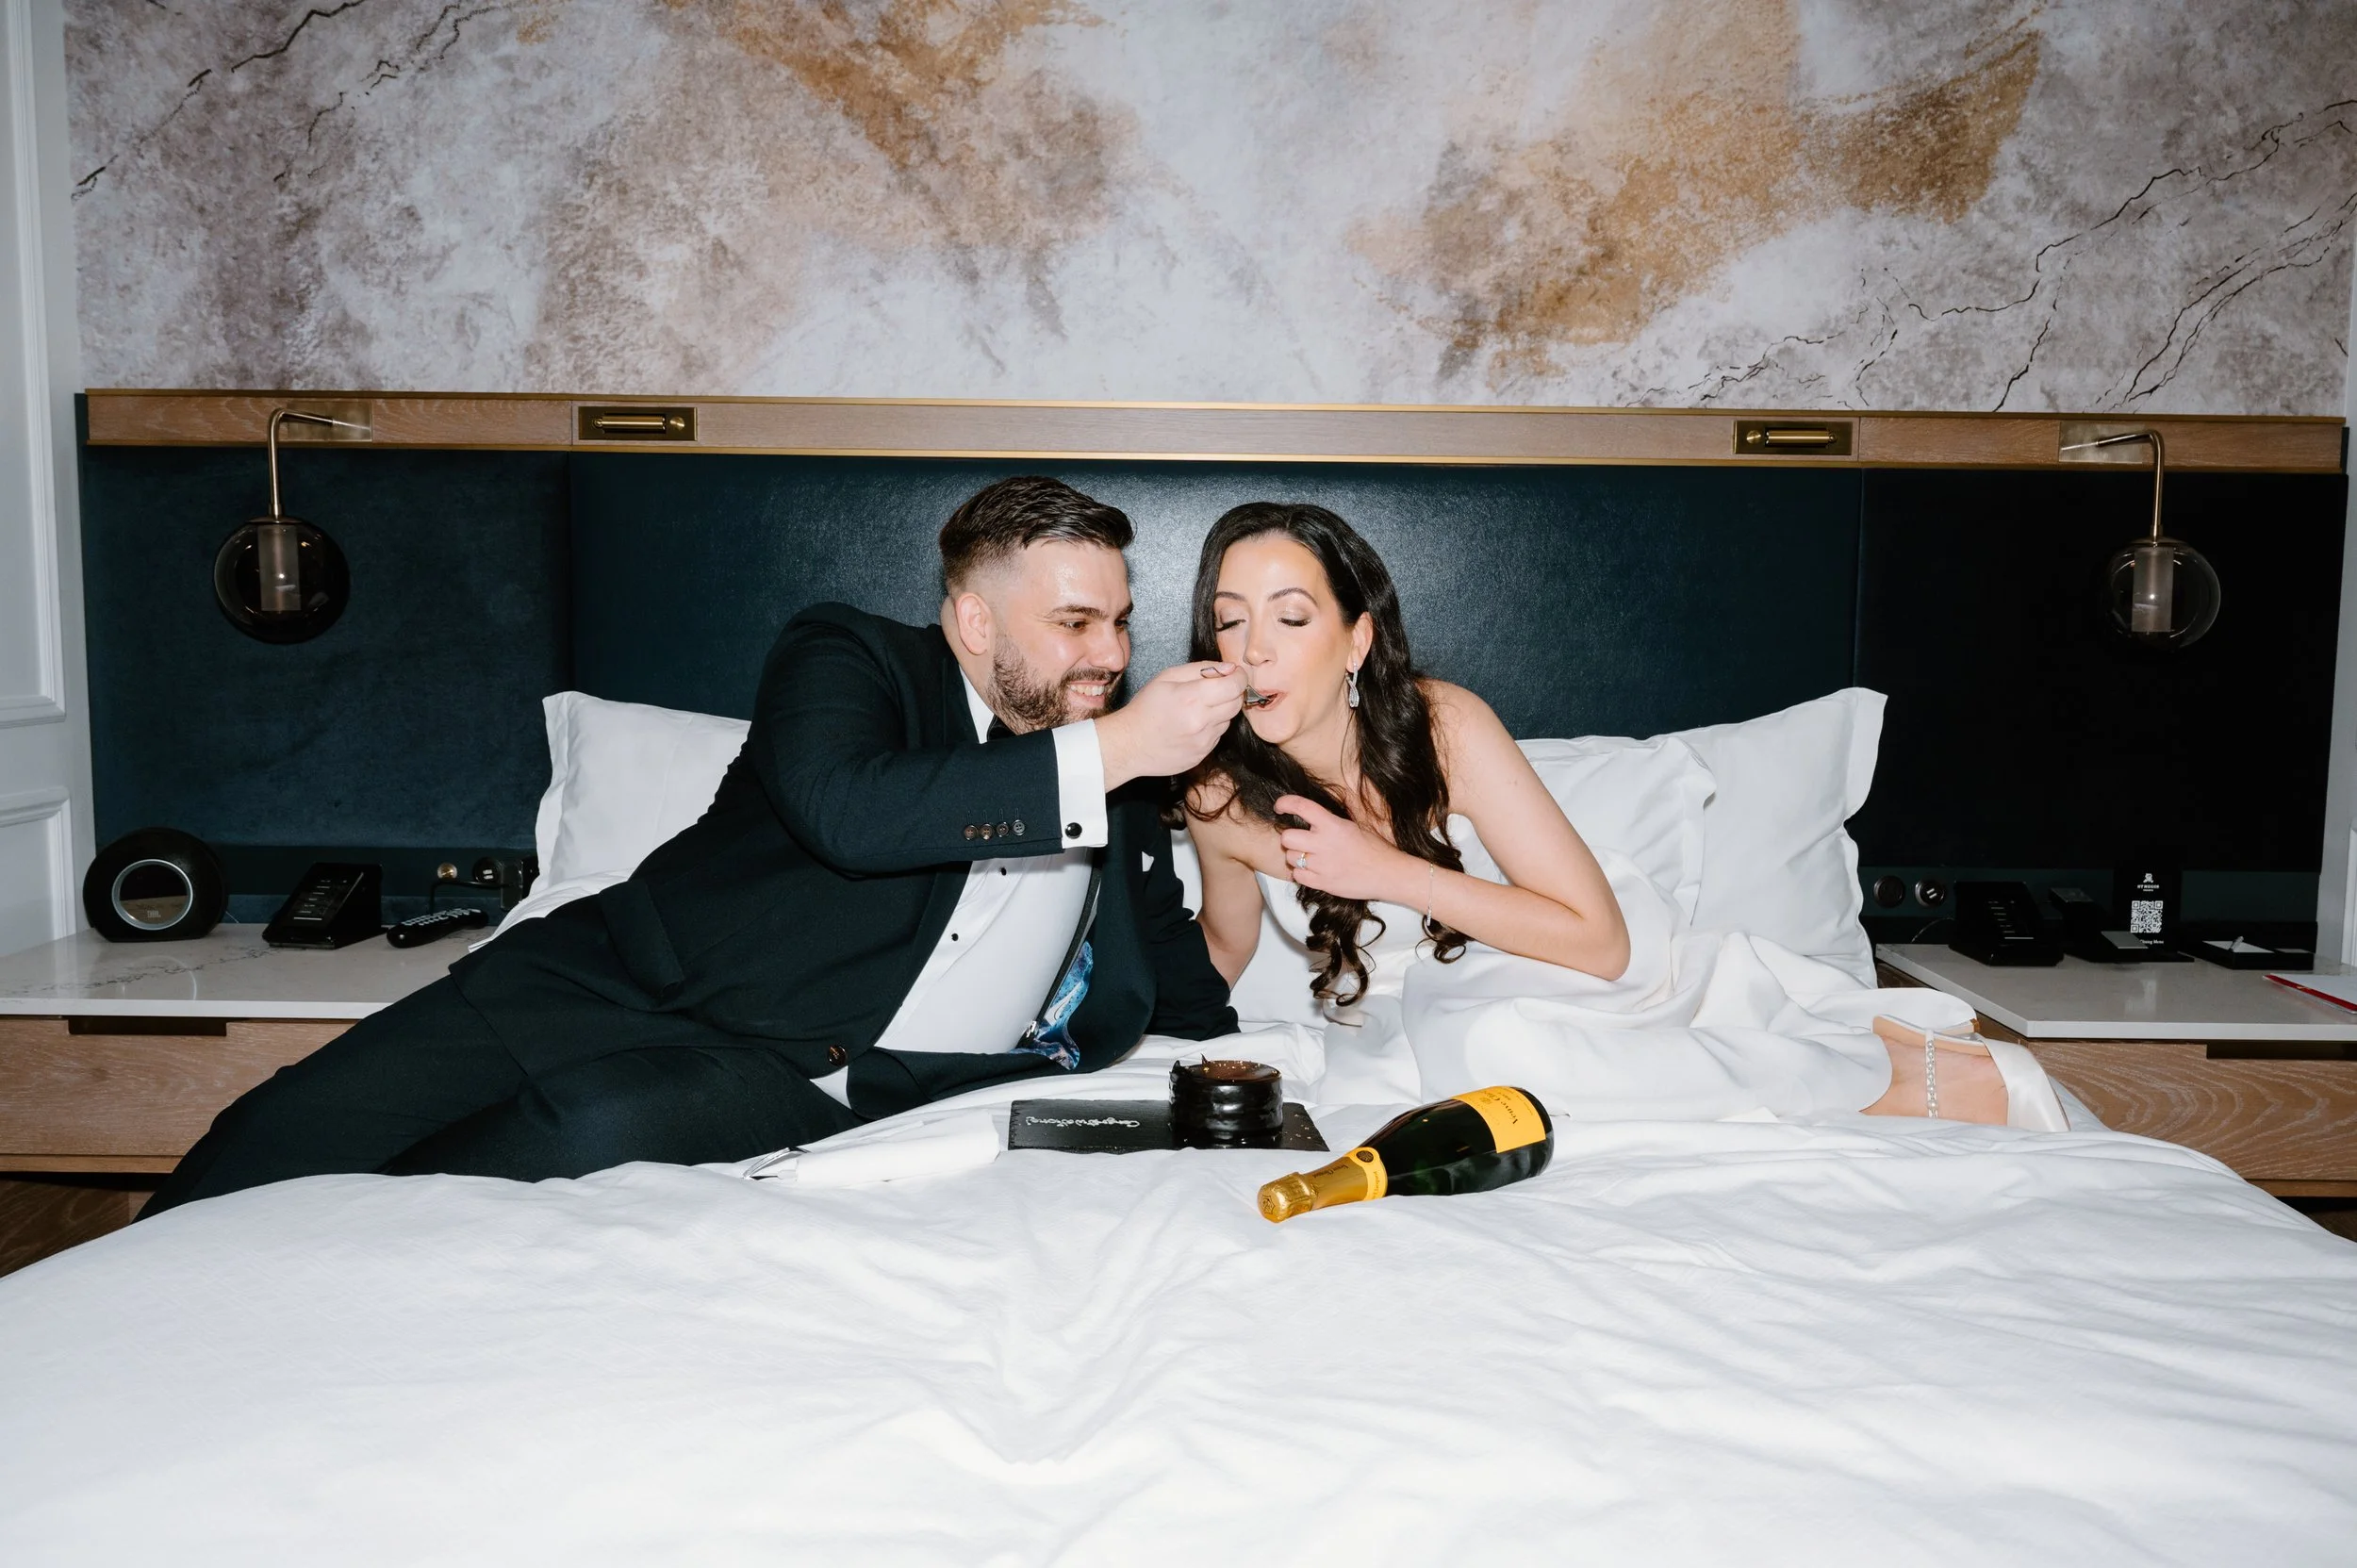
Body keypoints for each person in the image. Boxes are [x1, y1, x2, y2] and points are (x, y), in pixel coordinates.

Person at [147, 477, 1248, 1214]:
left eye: (1119, 621)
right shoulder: (850, 657)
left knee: (546, 1150)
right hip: (602, 979)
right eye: (1074, 624)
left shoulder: (1124, 795)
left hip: (788, 1072)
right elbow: (851, 814)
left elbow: (1192, 997)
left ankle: (298, 1314)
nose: (1110, 654)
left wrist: (1237, 853)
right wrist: (1114, 748)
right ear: (973, 623)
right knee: (278, 1133)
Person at [1178, 502, 2065, 1128]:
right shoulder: (1218, 795)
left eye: (1290, 619)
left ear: (1356, 641)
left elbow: (1598, 940)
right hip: (1405, 1022)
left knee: (1494, 1041)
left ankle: (1901, 1080)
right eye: (1230, 622)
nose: (1254, 650)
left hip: (1575, 963)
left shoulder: (1444, 725)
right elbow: (1220, 950)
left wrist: (1383, 871)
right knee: (1451, 1066)